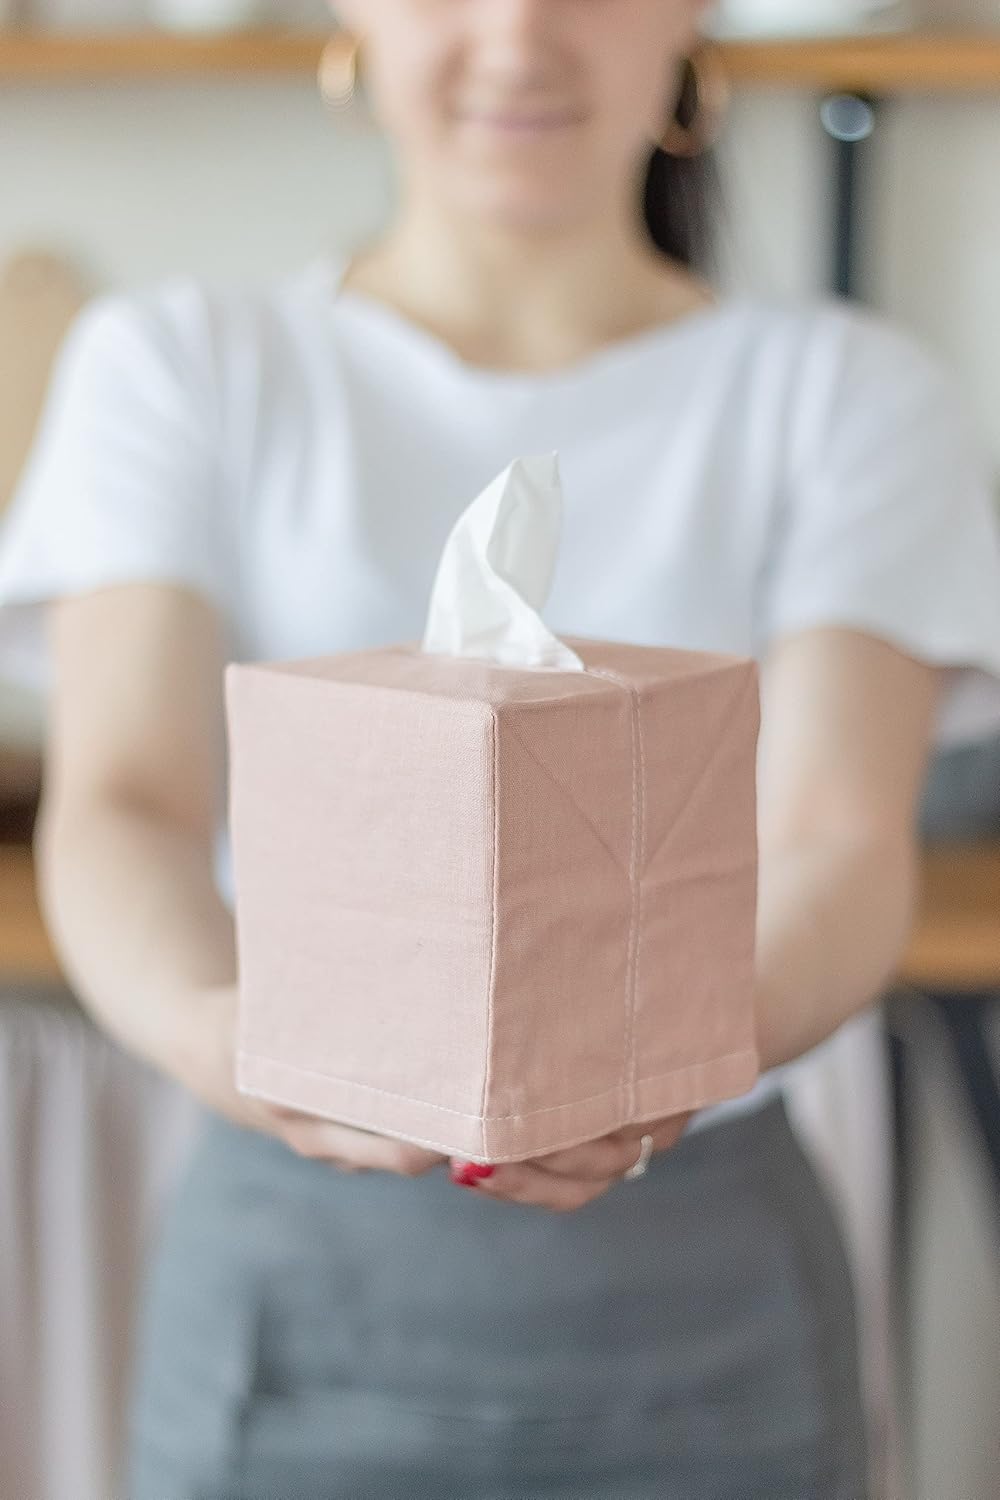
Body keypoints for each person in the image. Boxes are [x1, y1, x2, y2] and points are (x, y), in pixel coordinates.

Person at [2, 1, 1000, 1496]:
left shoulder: (849, 394)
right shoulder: (182, 361)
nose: (520, 36)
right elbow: (126, 803)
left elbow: (839, 840)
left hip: (712, 1303)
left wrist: (669, 1056)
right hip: (289, 1299)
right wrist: (224, 1031)